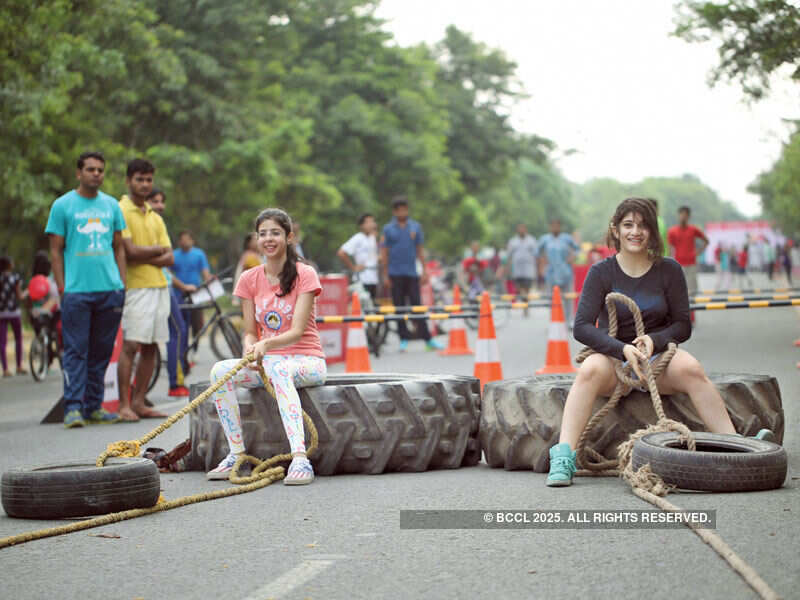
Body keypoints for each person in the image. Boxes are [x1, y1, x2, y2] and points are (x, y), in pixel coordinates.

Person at [546, 197, 741, 487]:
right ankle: (564, 456)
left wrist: (653, 340)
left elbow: (682, 325)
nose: (634, 232)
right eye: (628, 225)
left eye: (642, 225)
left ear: (652, 231)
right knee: (587, 372)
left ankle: (737, 447)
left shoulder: (669, 270)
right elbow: (582, 327)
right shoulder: (601, 272)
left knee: (693, 370)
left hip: (656, 360)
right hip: (613, 359)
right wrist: (621, 348)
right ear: (615, 230)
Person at [206, 208, 326, 484]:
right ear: (256, 239)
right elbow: (249, 332)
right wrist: (250, 350)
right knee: (218, 371)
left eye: (275, 233)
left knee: (280, 371)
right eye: (263, 234)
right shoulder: (249, 279)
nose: (268, 239)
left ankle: (300, 459)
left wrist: (265, 344)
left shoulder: (305, 275)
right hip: (268, 361)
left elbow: (296, 332)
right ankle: (237, 454)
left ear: (289, 237)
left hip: (306, 360)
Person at [45, 151, 126, 427]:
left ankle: (94, 406)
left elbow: (119, 247)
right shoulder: (62, 206)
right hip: (76, 292)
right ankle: (73, 409)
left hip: (110, 290)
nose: (96, 174)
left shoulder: (112, 206)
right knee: (76, 351)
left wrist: (122, 284)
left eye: (100, 170)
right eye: (90, 169)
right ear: (79, 173)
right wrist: (62, 287)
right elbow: (55, 251)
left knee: (102, 352)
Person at [117, 159, 171, 422]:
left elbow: (170, 257)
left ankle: (139, 402)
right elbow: (129, 251)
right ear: (129, 181)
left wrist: (145, 254)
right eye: (140, 179)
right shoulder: (121, 210)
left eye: (148, 180)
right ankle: (124, 404)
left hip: (159, 286)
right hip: (135, 287)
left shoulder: (154, 215)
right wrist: (155, 251)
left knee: (151, 346)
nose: (145, 184)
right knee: (131, 345)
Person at [379, 196, 444, 352]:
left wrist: (425, 271)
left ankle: (428, 339)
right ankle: (403, 339)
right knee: (399, 307)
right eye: (399, 209)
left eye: (405, 209)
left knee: (418, 306)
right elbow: (384, 253)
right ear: (394, 211)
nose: (402, 212)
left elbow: (420, 250)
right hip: (394, 273)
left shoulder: (415, 227)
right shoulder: (388, 229)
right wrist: (385, 275)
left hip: (412, 272)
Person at [146, 188, 190, 397]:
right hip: (155, 287)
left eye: (162, 202)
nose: (160, 206)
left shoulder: (156, 224)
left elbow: (167, 262)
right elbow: (163, 260)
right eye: (155, 201)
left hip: (162, 284)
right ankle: (175, 382)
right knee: (178, 331)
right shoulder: (147, 223)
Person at [537, 218, 579, 327]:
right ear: (550, 227)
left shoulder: (566, 238)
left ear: (560, 227)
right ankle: (554, 322)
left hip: (566, 272)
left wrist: (572, 257)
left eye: (557, 225)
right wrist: (541, 264)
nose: (555, 227)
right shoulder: (545, 239)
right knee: (552, 298)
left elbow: (577, 249)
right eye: (553, 225)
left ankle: (569, 321)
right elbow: (537, 252)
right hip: (551, 273)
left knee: (568, 298)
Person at [172, 230, 213, 338]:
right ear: (179, 241)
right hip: (179, 293)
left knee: (197, 323)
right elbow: (168, 273)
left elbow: (205, 273)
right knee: (181, 323)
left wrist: (210, 290)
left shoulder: (199, 254)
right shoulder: (174, 255)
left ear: (192, 240)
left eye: (187, 239)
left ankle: (195, 345)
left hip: (196, 292)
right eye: (182, 239)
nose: (185, 242)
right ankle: (182, 348)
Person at [667, 206, 708, 296]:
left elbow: (706, 241)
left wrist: (698, 252)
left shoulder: (693, 229)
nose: (683, 217)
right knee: (679, 290)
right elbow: (670, 248)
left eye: (685, 215)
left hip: (691, 264)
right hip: (678, 265)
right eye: (681, 215)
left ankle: (693, 310)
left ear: (689, 216)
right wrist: (669, 264)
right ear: (678, 215)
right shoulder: (672, 231)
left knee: (692, 290)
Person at [337, 213, 379, 300]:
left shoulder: (372, 237)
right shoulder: (358, 238)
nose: (371, 224)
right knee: (364, 306)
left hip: (373, 278)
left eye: (372, 221)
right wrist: (353, 267)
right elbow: (341, 252)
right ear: (361, 225)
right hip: (363, 278)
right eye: (368, 222)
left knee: (373, 306)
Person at [0, 256, 26, 377]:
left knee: (2, 342)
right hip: (14, 312)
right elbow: (20, 296)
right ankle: (19, 366)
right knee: (18, 339)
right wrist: (28, 293)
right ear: (9, 265)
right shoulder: (15, 278)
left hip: (1, 313)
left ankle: (5, 369)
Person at [506, 224, 537, 315]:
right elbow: (509, 256)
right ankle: (524, 302)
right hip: (517, 270)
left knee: (526, 289)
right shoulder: (513, 241)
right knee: (519, 288)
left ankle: (525, 306)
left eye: (523, 229)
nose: (521, 230)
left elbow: (536, 254)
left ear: (525, 229)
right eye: (519, 229)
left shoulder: (532, 240)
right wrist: (507, 268)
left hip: (528, 270)